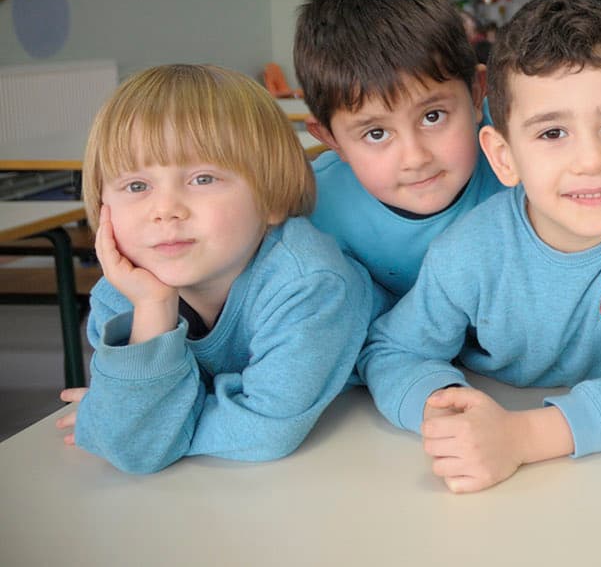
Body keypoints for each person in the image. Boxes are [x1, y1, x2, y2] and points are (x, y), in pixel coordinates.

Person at [359, 0, 601, 493]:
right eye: (552, 134)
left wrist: (521, 437)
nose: (591, 160)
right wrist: (451, 412)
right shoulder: (469, 251)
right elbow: (392, 350)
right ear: (503, 157)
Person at [55, 65, 372, 473]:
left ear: (271, 200)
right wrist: (154, 309)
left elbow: (266, 429)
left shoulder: (309, 283)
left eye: (203, 178)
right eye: (137, 186)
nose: (165, 209)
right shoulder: (122, 295)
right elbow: (134, 450)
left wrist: (145, 423)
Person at [294, 0, 504, 313]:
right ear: (331, 138)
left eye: (432, 116)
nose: (415, 157)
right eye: (376, 133)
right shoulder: (315, 210)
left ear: (477, 93)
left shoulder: (524, 153)